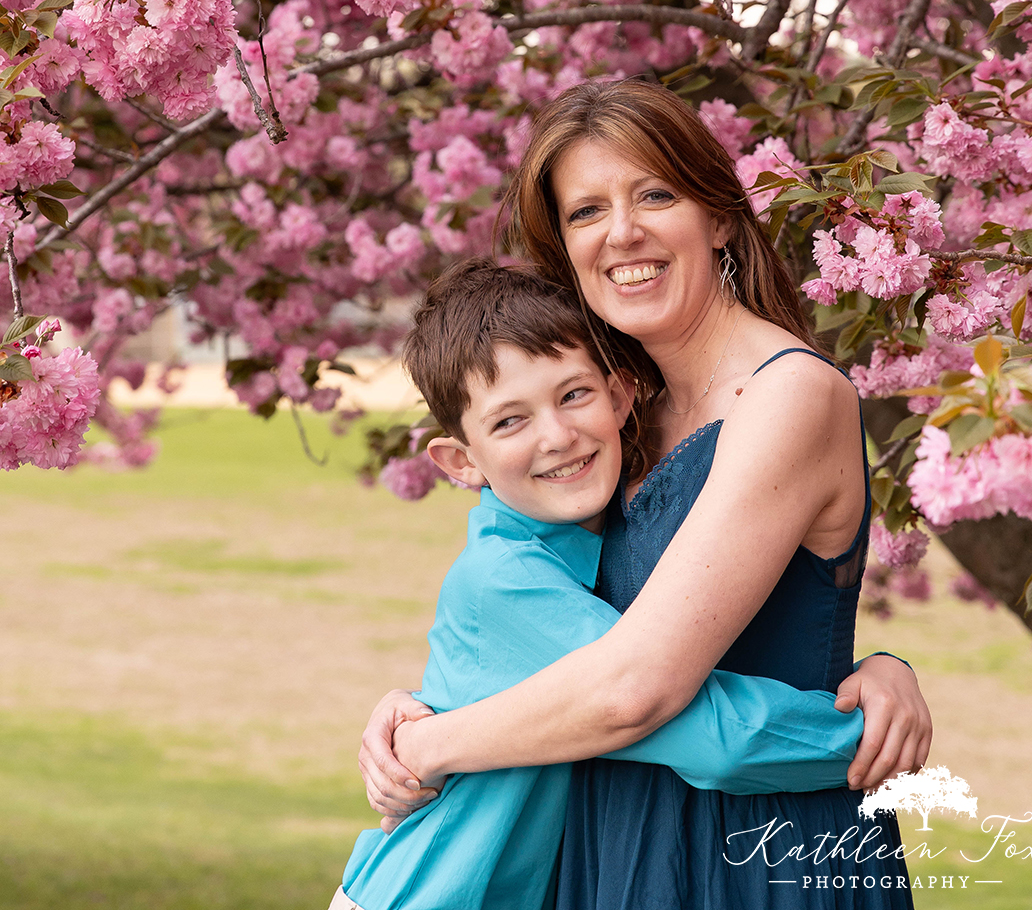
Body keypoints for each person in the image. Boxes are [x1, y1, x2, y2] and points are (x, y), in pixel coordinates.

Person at [359, 80, 932, 910]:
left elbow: (635, 687)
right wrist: (422, 702)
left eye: (654, 194)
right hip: (610, 835)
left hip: (756, 849)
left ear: (719, 215)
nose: (622, 231)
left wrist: (430, 743)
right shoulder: (615, 407)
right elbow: (529, 591)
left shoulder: (789, 395)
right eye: (586, 211)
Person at [333, 258, 881, 910]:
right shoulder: (507, 579)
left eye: (573, 395)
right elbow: (706, 733)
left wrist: (877, 665)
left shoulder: (594, 540)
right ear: (460, 462)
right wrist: (864, 732)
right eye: (510, 421)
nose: (557, 436)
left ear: (621, 398)